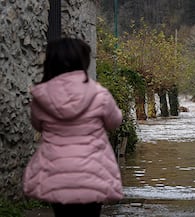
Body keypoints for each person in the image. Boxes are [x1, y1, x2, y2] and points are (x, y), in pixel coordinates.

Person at [23, 38, 123, 217]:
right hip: (93, 172)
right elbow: (114, 122)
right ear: (82, 61)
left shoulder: (41, 97)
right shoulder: (99, 94)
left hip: (56, 173)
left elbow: (37, 125)